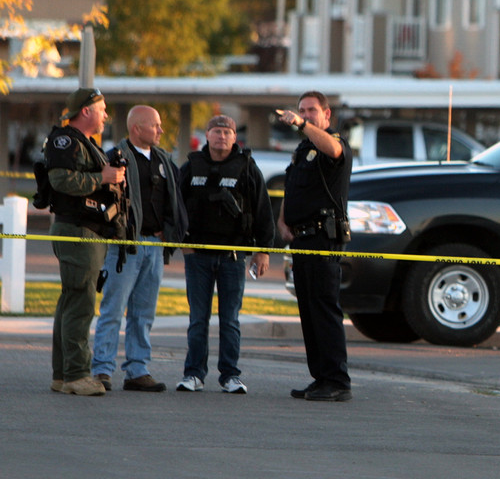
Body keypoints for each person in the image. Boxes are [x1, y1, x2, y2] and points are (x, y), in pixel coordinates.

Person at [90, 105, 186, 392]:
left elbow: (175, 202)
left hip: (155, 246)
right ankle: (102, 370)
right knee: (113, 309)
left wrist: (170, 231)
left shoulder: (164, 161)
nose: (161, 130)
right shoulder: (113, 160)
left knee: (144, 313)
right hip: (124, 247)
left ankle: (137, 370)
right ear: (137, 128)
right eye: (155, 125)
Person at [176, 115, 274, 394]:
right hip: (198, 255)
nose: (221, 136)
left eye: (227, 132)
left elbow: (263, 210)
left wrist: (263, 251)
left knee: (230, 320)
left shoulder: (247, 167)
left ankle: (230, 375)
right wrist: (180, 243)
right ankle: (193, 374)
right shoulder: (191, 166)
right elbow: (175, 207)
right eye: (216, 131)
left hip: (233, 256)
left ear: (234, 137)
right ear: (206, 135)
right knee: (198, 319)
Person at [45, 87, 126, 397]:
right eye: (102, 109)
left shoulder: (87, 144)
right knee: (80, 303)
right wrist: (102, 178)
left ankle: (63, 375)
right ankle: (77, 374)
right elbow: (61, 180)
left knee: (71, 301)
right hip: (78, 231)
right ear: (86, 111)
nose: (106, 115)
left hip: (87, 231)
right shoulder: (66, 141)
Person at [275, 91, 353, 402]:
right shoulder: (303, 149)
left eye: (311, 110)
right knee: (308, 311)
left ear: (326, 114)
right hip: (301, 238)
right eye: (302, 110)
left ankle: (337, 380)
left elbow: (333, 149)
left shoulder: (333, 142)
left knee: (323, 308)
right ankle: (321, 377)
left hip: (323, 238)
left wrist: (301, 124)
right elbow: (293, 187)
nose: (305, 115)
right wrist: (283, 220)